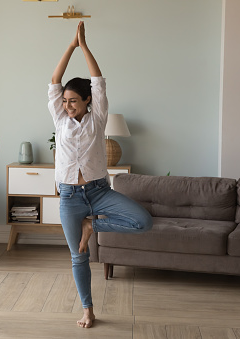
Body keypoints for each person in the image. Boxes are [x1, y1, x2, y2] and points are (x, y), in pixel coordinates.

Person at [48, 21, 153, 328]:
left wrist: (85, 46)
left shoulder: (98, 119)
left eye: (73, 101)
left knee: (142, 221)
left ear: (88, 101)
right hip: (69, 196)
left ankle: (92, 224)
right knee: (78, 256)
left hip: (98, 192)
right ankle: (87, 310)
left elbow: (98, 80)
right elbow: (54, 80)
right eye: (65, 101)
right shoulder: (60, 119)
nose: (67, 106)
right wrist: (70, 46)